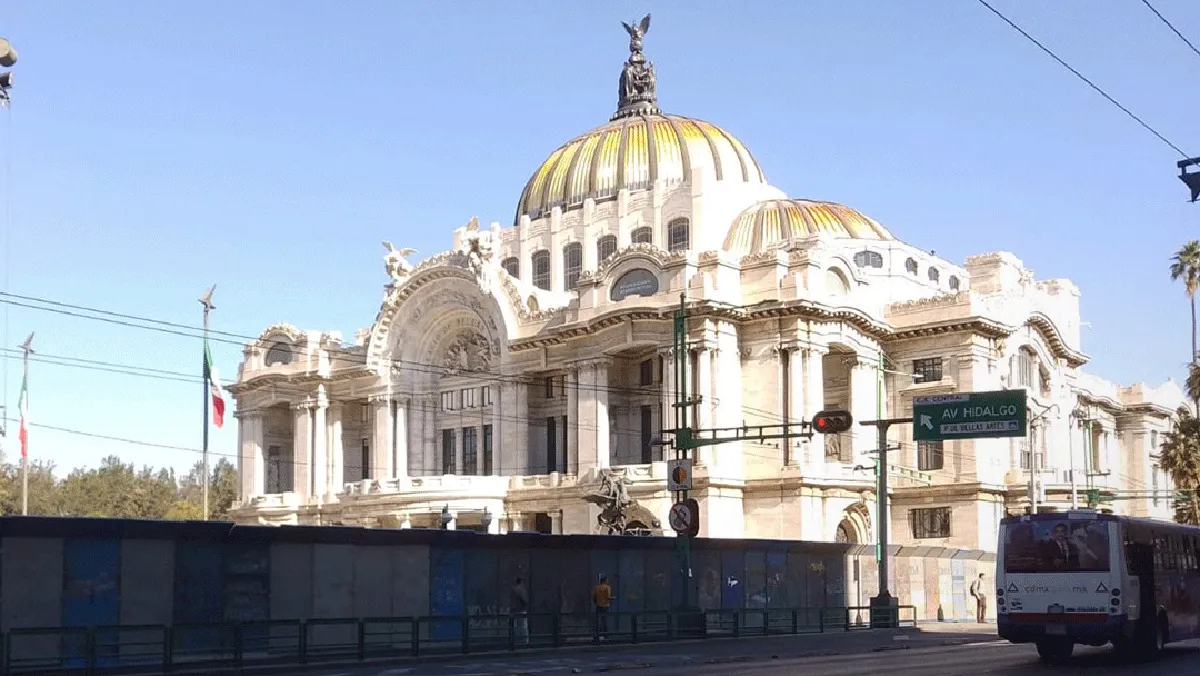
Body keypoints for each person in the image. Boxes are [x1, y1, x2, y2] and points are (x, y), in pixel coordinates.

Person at [592, 574, 612, 640]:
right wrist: (613, 598)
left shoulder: (597, 587)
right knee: (605, 621)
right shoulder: (607, 587)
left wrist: (596, 603)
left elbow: (594, 597)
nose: (608, 581)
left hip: (598, 606)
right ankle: (605, 635)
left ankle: (597, 634)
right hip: (605, 606)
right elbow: (608, 597)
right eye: (607, 580)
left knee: (598, 621)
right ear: (605, 580)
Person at [510, 576, 529, 644]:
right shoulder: (522, 590)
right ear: (521, 582)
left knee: (516, 627)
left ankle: (516, 641)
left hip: (515, 611)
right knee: (523, 627)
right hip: (522, 610)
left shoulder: (513, 590)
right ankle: (524, 641)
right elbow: (524, 600)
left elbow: (511, 601)